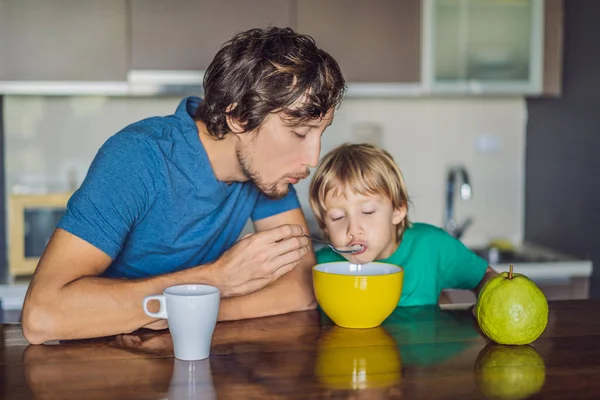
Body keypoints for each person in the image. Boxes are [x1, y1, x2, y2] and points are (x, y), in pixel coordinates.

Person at [22, 26, 346, 344]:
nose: (313, 158)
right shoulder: (137, 158)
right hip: (96, 362)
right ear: (239, 118)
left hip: (177, 353)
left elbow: (301, 290)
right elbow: (42, 316)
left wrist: (183, 311)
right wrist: (216, 280)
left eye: (320, 132)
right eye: (300, 134)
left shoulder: (268, 172)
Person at [308, 143, 497, 307]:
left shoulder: (432, 246)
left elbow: (489, 278)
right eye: (338, 217)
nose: (353, 229)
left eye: (367, 212)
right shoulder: (318, 266)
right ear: (324, 225)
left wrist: (487, 305)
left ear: (397, 210)